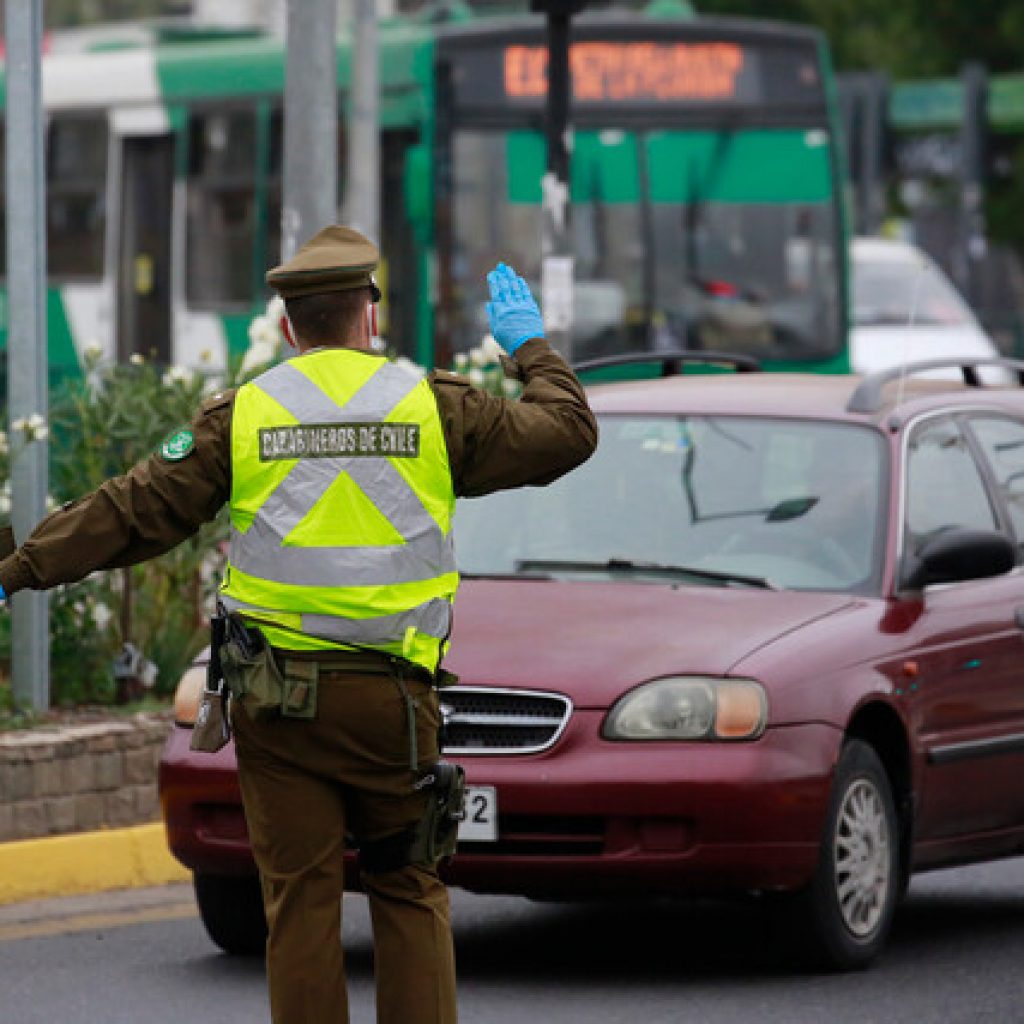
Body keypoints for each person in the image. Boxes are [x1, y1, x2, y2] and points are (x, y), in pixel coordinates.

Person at [0, 224, 597, 1024]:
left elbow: (131, 511)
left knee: (300, 904)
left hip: (278, 708)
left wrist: (18, 569)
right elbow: (568, 433)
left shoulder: (242, 417)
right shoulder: (433, 410)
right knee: (409, 888)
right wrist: (530, 351)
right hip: (394, 709)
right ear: (369, 317)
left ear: (289, 326)